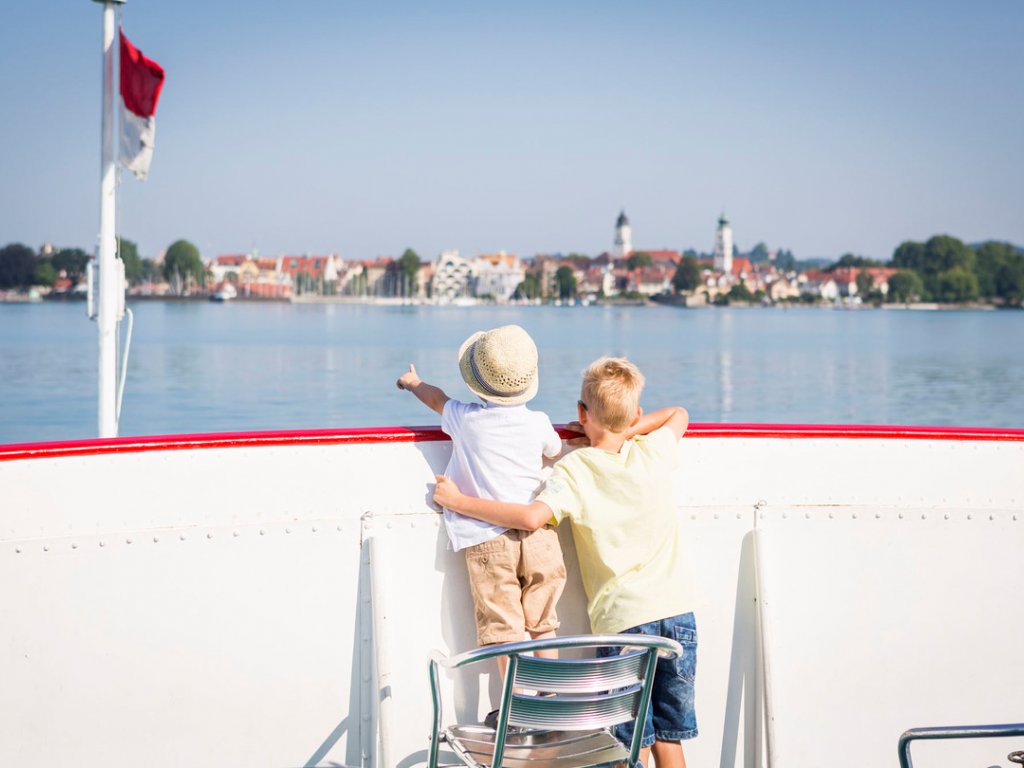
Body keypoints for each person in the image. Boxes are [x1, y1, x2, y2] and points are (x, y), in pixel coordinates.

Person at [433, 356, 696, 768]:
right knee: (669, 736)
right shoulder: (654, 451)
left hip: (625, 622)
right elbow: (679, 414)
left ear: (580, 413)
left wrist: (458, 502)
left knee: (630, 744)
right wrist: (623, 429)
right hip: (678, 616)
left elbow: (532, 517)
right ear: (636, 415)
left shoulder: (577, 468)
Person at [396, 324, 567, 700]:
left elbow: (436, 399)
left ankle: (513, 706)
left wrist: (413, 382)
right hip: (538, 534)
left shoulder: (465, 418)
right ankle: (550, 696)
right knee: (543, 621)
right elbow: (553, 450)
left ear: (478, 382)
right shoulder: (538, 422)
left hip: (487, 538)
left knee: (503, 626)